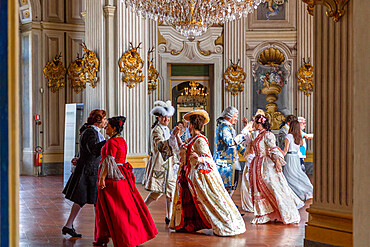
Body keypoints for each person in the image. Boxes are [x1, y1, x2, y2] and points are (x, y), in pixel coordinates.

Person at [170, 109, 246, 236]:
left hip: (198, 176)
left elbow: (209, 160)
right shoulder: (192, 139)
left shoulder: (200, 140)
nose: (188, 127)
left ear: (193, 125)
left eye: (189, 124)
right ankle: (191, 224)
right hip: (188, 176)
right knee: (189, 201)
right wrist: (177, 136)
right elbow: (183, 149)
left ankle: (223, 223)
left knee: (208, 200)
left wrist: (199, 158)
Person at [94, 116, 158, 247]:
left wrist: (101, 178)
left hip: (113, 177)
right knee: (126, 206)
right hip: (123, 176)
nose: (106, 127)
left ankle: (123, 238)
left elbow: (109, 161)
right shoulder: (121, 140)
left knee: (116, 209)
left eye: (109, 126)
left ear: (114, 128)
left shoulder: (111, 142)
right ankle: (117, 235)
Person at [247, 114, 303, 224]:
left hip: (266, 165)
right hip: (257, 164)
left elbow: (273, 149)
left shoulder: (268, 135)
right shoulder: (258, 135)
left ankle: (285, 212)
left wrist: (277, 162)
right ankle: (263, 213)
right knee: (258, 188)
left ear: (260, 124)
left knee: (273, 187)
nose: (253, 124)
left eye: (255, 123)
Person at [62, 109, 107, 237]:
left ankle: (68, 226)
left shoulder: (90, 131)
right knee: (95, 200)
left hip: (89, 169)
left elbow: (84, 150)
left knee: (81, 200)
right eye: (104, 119)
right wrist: (108, 142)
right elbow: (93, 149)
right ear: (98, 121)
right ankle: (101, 230)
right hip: (88, 171)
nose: (105, 121)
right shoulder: (91, 132)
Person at [142, 100, 177, 224]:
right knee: (157, 192)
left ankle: (169, 216)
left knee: (170, 190)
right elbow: (162, 146)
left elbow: (172, 146)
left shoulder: (166, 129)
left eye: (167, 116)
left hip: (168, 163)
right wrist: (173, 137)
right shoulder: (157, 130)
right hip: (160, 163)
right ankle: (142, 209)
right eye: (163, 117)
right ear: (158, 117)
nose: (166, 119)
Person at [213, 106, 248, 196]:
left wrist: (246, 152)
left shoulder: (228, 127)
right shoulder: (224, 127)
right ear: (229, 116)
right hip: (225, 164)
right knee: (225, 189)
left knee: (232, 187)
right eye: (235, 116)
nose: (237, 119)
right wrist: (244, 132)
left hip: (231, 163)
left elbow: (236, 145)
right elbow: (231, 142)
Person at [282, 120, 313, 201]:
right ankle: (308, 189)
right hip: (296, 156)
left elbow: (285, 150)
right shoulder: (299, 136)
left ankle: (294, 192)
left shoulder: (288, 136)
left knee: (289, 175)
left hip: (289, 157)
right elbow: (301, 145)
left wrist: (279, 157)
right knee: (298, 174)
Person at [240, 109, 264, 212]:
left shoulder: (254, 133)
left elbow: (244, 136)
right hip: (256, 158)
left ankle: (251, 203)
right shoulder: (261, 133)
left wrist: (246, 127)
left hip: (252, 158)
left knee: (249, 181)